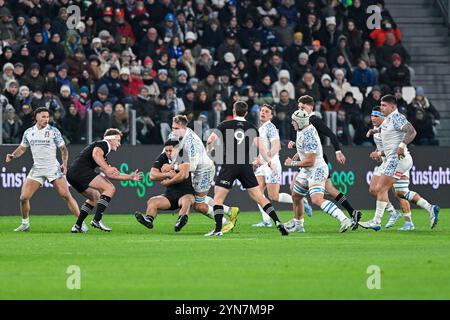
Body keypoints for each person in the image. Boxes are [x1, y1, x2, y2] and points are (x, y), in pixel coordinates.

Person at [206, 101, 289, 236]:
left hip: (230, 164)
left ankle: (218, 229)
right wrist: (268, 161)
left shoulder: (224, 124)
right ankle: (278, 222)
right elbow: (261, 148)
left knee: (218, 199)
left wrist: (209, 151)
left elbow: (210, 140)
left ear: (233, 111)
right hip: (245, 166)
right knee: (259, 197)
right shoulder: (251, 127)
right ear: (245, 113)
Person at [360, 95, 440, 231]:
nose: (381, 107)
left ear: (393, 106)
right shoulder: (388, 120)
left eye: (384, 105)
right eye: (381, 104)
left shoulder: (397, 117)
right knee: (401, 192)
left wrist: (402, 145)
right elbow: (386, 129)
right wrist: (375, 130)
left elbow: (411, 131)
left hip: (397, 159)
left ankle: (376, 221)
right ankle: (430, 208)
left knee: (380, 188)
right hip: (399, 160)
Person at [285, 95, 362, 232]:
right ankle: (298, 225)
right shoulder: (302, 127)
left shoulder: (312, 124)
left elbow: (311, 158)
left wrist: (292, 163)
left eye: (302, 107)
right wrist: (297, 154)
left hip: (316, 165)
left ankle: (344, 219)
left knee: (317, 198)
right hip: (308, 164)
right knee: (296, 194)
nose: (292, 123)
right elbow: (304, 149)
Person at [5, 107, 85, 232]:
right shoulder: (29, 132)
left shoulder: (53, 131)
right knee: (23, 197)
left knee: (66, 195)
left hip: (52, 167)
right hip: (37, 169)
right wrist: (13, 155)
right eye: (43, 117)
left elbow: (63, 149)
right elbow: (22, 148)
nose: (46, 119)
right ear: (36, 117)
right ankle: (25, 224)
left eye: (47, 117)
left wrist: (64, 164)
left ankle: (80, 224)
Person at [66, 128, 142, 233]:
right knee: (109, 188)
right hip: (80, 171)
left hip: (71, 174)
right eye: (118, 140)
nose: (119, 144)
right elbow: (96, 154)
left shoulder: (103, 155)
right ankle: (97, 220)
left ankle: (77, 226)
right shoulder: (104, 144)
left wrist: (130, 177)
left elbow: (110, 174)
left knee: (94, 197)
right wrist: (107, 168)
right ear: (110, 139)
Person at [252, 103, 312, 228]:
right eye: (262, 111)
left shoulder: (271, 127)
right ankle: (266, 220)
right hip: (262, 165)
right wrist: (258, 159)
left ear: (271, 116)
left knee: (273, 196)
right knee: (257, 193)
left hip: (271, 165)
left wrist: (267, 160)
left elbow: (276, 146)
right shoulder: (261, 128)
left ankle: (300, 200)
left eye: (266, 111)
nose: (263, 113)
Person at [134, 140, 195, 232]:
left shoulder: (183, 155)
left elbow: (184, 175)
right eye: (166, 151)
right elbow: (152, 176)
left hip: (186, 193)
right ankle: (148, 220)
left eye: (170, 151)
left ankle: (180, 220)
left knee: (187, 201)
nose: (168, 153)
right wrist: (168, 175)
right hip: (170, 195)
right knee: (152, 201)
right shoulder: (162, 157)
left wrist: (168, 181)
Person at [367, 106, 411, 230]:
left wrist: (379, 154)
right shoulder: (377, 130)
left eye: (376, 116)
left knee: (399, 194)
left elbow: (393, 150)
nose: (373, 118)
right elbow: (382, 148)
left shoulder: (389, 128)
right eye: (372, 115)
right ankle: (393, 213)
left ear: (383, 117)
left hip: (398, 161)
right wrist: (377, 153)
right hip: (386, 163)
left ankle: (409, 221)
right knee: (373, 190)